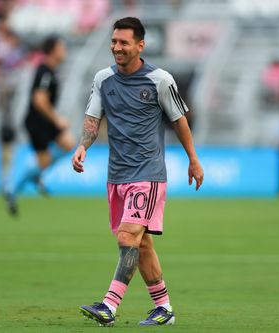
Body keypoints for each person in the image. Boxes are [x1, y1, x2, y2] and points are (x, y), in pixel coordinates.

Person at [72, 17, 204, 326]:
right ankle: (164, 308)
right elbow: (93, 117)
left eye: (123, 43)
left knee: (127, 236)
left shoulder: (160, 80)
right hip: (116, 175)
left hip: (148, 173)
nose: (116, 47)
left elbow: (179, 120)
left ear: (140, 45)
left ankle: (109, 306)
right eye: (114, 41)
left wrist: (193, 159)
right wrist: (83, 147)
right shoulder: (103, 79)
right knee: (141, 244)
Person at [3, 35, 75, 216]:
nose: (64, 50)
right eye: (61, 47)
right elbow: (39, 100)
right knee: (50, 155)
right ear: (53, 50)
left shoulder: (51, 71)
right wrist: (57, 118)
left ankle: (35, 175)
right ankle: (11, 187)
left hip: (43, 121)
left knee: (66, 144)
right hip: (37, 122)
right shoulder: (44, 71)